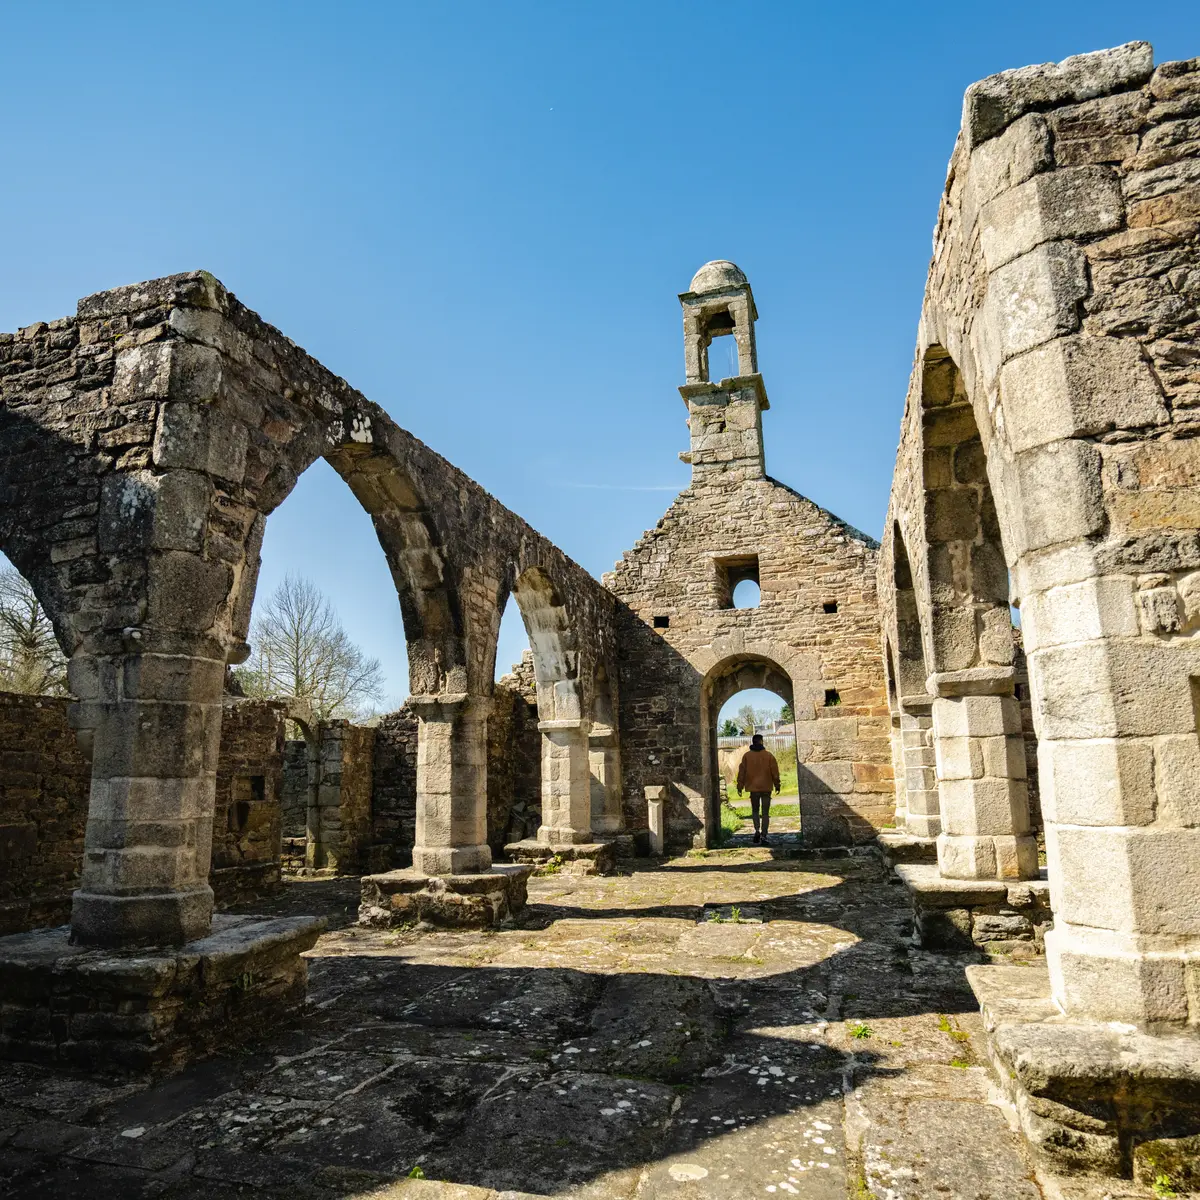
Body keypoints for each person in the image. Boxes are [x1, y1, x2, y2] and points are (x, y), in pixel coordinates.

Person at [736, 733, 781, 844]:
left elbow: (742, 772)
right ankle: (764, 835)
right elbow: (774, 772)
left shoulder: (747, 756)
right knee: (765, 813)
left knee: (755, 811)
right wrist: (777, 784)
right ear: (762, 742)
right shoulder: (769, 756)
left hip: (753, 788)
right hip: (766, 787)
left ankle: (757, 830)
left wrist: (740, 786)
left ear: (753, 742)